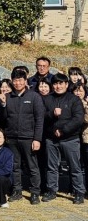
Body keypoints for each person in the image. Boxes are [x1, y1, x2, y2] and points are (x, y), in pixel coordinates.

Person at [0, 69, 44, 204]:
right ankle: (17, 190)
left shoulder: (34, 97)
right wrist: (3, 104)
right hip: (11, 137)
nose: (17, 83)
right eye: (15, 80)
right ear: (12, 81)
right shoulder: (8, 96)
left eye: (20, 80)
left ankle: (35, 192)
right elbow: (2, 118)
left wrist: (37, 139)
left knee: (32, 166)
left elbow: (39, 119)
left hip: (29, 138)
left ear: (25, 81)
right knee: (15, 166)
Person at [42, 73, 85, 204]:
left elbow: (78, 119)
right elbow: (41, 117)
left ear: (67, 84)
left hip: (70, 139)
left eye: (61, 83)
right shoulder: (47, 99)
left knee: (75, 167)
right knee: (52, 167)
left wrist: (64, 130)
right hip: (51, 139)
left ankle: (79, 192)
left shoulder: (74, 99)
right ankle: (51, 190)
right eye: (55, 83)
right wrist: (51, 114)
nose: (58, 86)